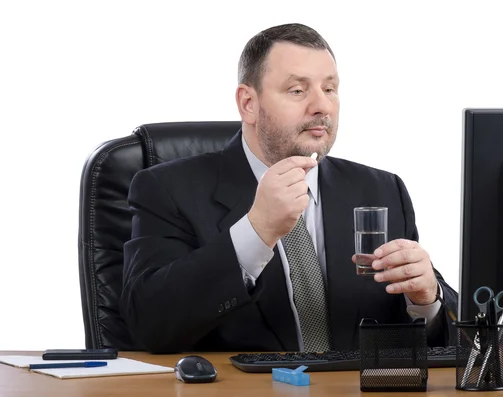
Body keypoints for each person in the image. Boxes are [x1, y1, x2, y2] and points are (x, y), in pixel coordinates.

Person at [121, 23, 458, 354]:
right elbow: (149, 326)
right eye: (298, 90)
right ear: (248, 103)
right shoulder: (166, 189)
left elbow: (449, 341)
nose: (322, 107)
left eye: (329, 89)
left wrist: (427, 301)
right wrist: (256, 232)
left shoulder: (381, 189)